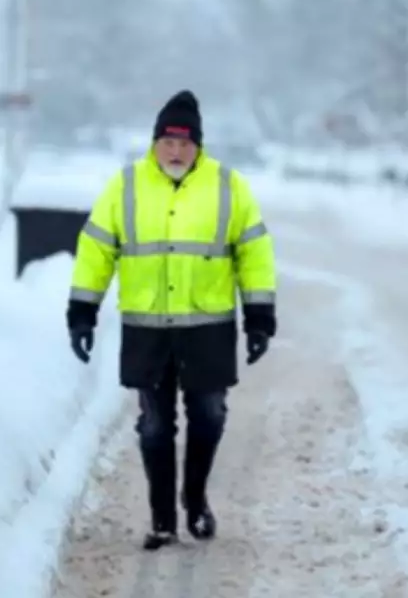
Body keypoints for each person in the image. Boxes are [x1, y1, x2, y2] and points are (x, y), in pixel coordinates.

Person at [66, 90, 277, 550]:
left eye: (184, 143)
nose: (176, 151)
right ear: (155, 143)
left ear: (198, 145)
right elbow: (96, 251)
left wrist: (259, 317)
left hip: (208, 329)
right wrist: (82, 311)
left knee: (210, 416)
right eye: (168, 142)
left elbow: (254, 254)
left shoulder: (229, 186)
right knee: (155, 426)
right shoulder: (125, 186)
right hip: (148, 330)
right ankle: (162, 519)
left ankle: (194, 499)